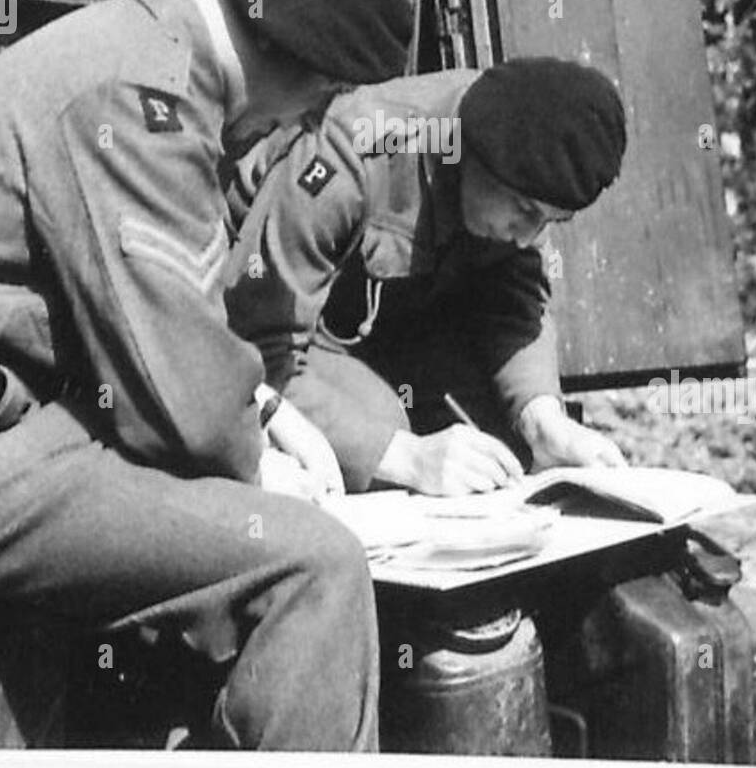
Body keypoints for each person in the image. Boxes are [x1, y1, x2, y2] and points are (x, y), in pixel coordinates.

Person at [0, 0, 413, 751]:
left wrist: (271, 417)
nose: (306, 123)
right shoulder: (137, 99)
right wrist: (265, 465)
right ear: (286, 52)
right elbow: (187, 406)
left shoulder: (145, 59)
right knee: (314, 564)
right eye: (322, 94)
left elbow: (164, 330)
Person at [222, 58, 628, 496]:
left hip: (393, 329)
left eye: (552, 221)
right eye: (525, 211)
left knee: (502, 451)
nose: (529, 236)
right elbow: (258, 350)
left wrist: (543, 419)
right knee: (384, 431)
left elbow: (515, 303)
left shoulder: (522, 158)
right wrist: (404, 456)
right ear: (472, 154)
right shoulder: (356, 148)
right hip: (277, 326)